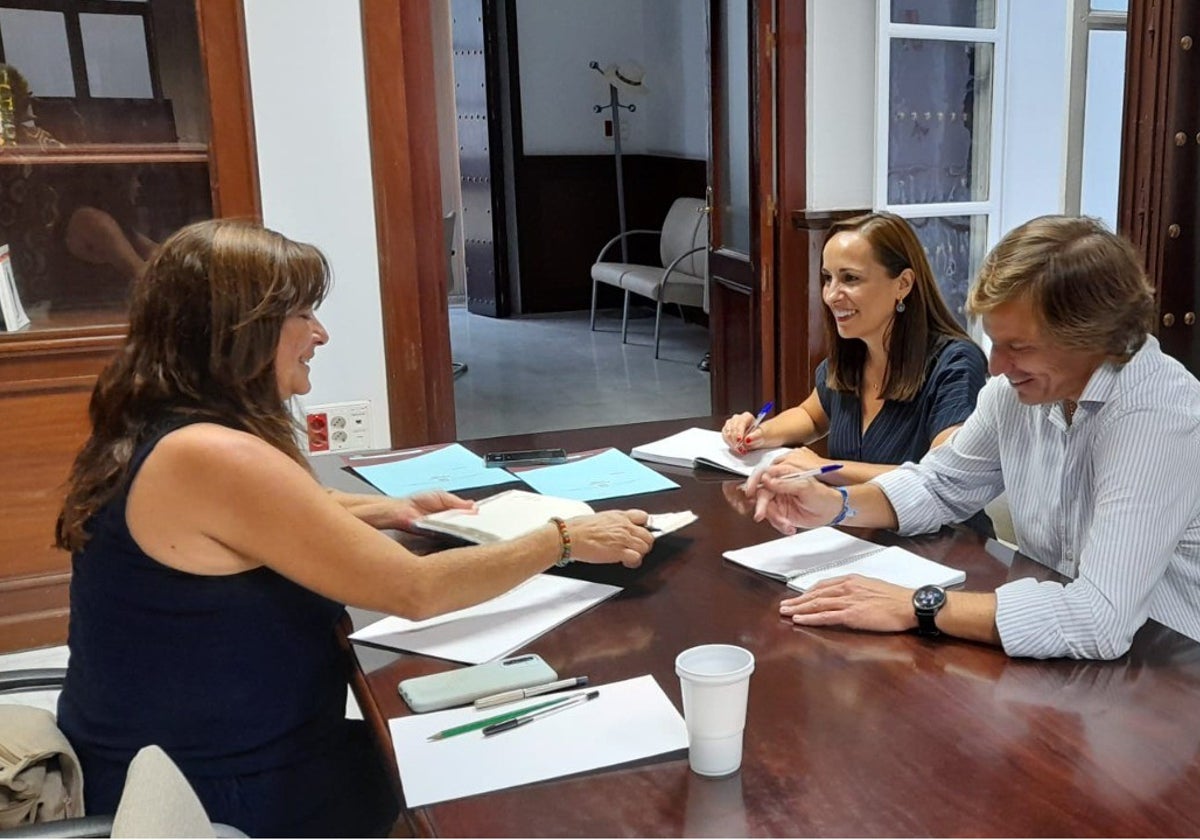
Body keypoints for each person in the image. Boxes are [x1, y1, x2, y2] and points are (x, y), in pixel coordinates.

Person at [54, 219, 655, 837]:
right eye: (304, 314)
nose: (320, 334)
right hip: (215, 792)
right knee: (511, 793)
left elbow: (283, 512)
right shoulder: (215, 456)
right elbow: (415, 591)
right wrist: (560, 538)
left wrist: (387, 510)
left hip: (189, 750)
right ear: (242, 331)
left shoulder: (162, 423)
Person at [746, 215, 1200, 661]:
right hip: (1059, 651)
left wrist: (916, 605)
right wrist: (838, 504)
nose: (997, 367)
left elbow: (1097, 617)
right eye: (995, 343)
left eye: (1018, 347)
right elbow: (940, 483)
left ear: (1093, 337)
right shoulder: (1020, 389)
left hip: (1165, 669)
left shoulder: (1158, 417)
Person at [721, 211, 987, 503]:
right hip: (856, 526)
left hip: (940, 540)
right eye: (827, 278)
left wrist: (826, 469)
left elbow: (940, 479)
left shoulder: (955, 364)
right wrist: (761, 433)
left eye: (850, 278)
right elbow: (811, 416)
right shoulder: (852, 353)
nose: (832, 295)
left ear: (903, 284)